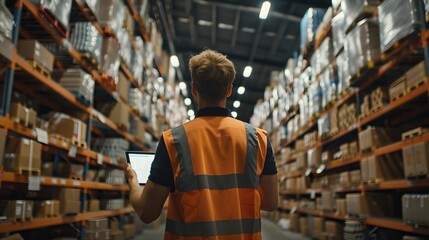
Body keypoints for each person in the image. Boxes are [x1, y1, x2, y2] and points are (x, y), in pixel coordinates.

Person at [125, 49, 278, 240]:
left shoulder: (173, 140)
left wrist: (133, 182)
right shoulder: (259, 139)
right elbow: (271, 202)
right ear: (229, 90)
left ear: (194, 89)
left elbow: (147, 213)